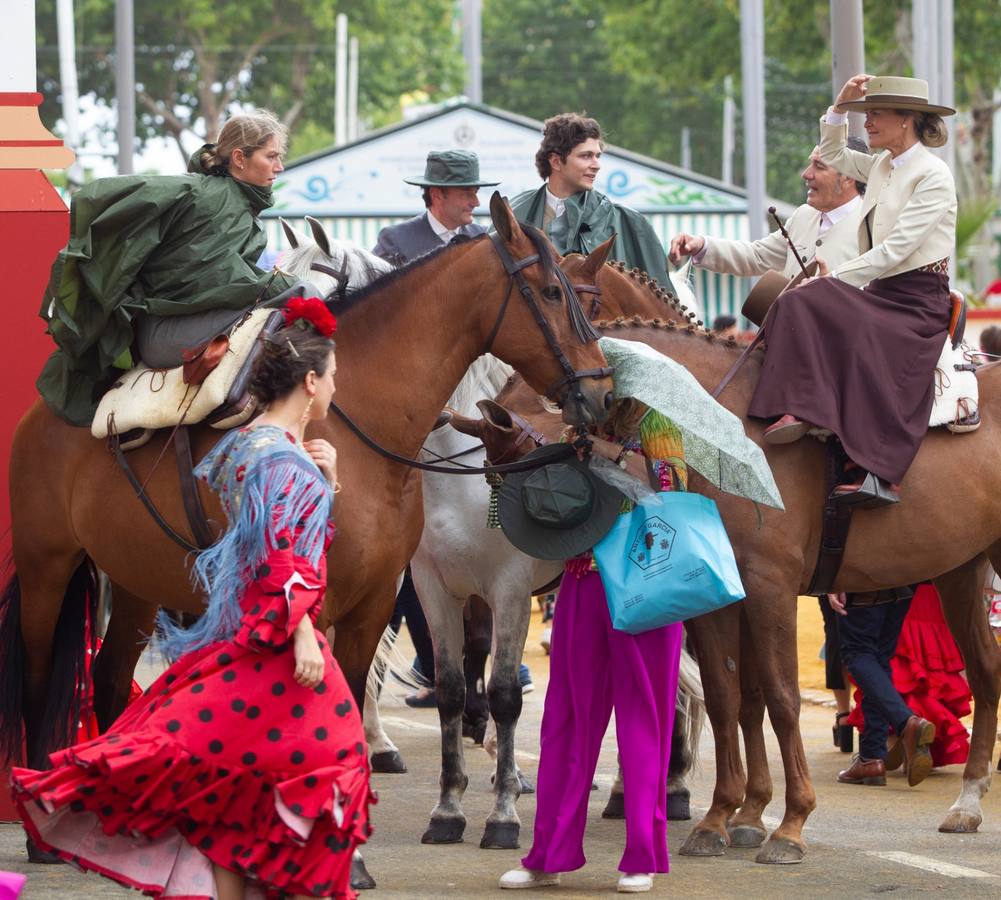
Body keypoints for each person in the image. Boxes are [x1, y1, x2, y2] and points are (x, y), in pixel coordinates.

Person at [12, 299, 373, 900]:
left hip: (240, 641)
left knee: (237, 790)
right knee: (333, 766)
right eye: (332, 375)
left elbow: (276, 528)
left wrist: (326, 479)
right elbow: (279, 553)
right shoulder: (283, 460)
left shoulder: (248, 448)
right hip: (282, 648)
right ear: (310, 383)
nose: (337, 385)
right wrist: (306, 632)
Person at [499, 401, 686, 894]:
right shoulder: (573, 428)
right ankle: (548, 855)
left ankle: (642, 857)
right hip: (582, 583)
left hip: (646, 586)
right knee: (564, 721)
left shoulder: (659, 424)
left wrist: (611, 455)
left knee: (643, 722)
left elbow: (671, 493)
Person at [748, 74, 958, 508]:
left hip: (919, 301)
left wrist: (835, 278)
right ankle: (801, 409)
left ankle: (881, 474)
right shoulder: (882, 165)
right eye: (866, 115)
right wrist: (839, 108)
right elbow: (834, 154)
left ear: (907, 119)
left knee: (809, 297)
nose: (869, 123)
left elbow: (897, 248)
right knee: (796, 300)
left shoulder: (933, 175)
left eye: (876, 114)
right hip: (883, 290)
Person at [38, 109, 310, 427]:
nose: (279, 167)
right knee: (304, 293)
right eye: (271, 156)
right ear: (239, 158)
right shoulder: (217, 201)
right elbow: (213, 278)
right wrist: (285, 286)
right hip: (164, 335)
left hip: (173, 328)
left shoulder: (230, 201)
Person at [670, 138, 869, 279]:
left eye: (819, 166)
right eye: (811, 164)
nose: (806, 174)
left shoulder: (873, 225)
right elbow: (757, 256)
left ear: (848, 177)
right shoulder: (803, 216)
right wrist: (701, 245)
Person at [511, 113, 671, 287]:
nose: (596, 165)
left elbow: (662, 305)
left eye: (597, 156)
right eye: (586, 156)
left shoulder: (627, 223)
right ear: (556, 162)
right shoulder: (514, 214)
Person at [827, 588, 936, 788]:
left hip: (865, 578)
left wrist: (835, 582)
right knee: (879, 659)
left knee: (857, 652)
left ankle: (906, 723)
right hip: (906, 579)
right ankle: (871, 757)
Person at [372, 150, 498, 267]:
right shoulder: (396, 242)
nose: (476, 202)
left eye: (476, 193)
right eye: (466, 194)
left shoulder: (485, 238)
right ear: (436, 195)